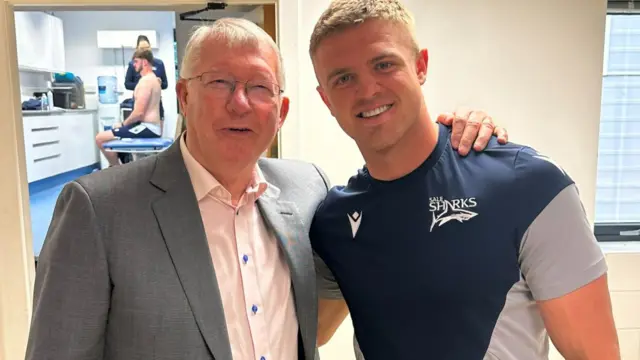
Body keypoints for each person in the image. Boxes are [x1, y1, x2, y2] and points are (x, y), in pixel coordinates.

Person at [25, 18, 505, 360]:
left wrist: (459, 135)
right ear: (185, 97)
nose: (240, 103)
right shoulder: (98, 209)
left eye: (260, 88)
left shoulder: (309, 189)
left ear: (282, 111)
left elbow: (392, 188)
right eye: (219, 83)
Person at [308, 1, 620, 360]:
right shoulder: (333, 221)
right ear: (326, 99)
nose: (367, 90)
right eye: (343, 78)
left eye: (384, 64)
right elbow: (313, 329)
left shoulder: (530, 186)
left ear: (420, 65)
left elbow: (596, 354)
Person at [95, 48, 162, 167]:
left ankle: (116, 169)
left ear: (145, 62)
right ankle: (122, 167)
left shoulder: (146, 82)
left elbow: (139, 114)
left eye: (136, 61)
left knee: (100, 138)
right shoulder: (154, 79)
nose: (134, 65)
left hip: (148, 127)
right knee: (114, 133)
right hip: (149, 127)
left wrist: (123, 124)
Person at [124, 35, 168, 120]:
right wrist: (144, 83)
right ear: (137, 48)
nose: (145, 50)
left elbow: (165, 85)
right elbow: (127, 84)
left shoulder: (159, 64)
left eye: (147, 47)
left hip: (155, 104)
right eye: (142, 48)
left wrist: (159, 83)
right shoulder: (134, 65)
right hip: (139, 103)